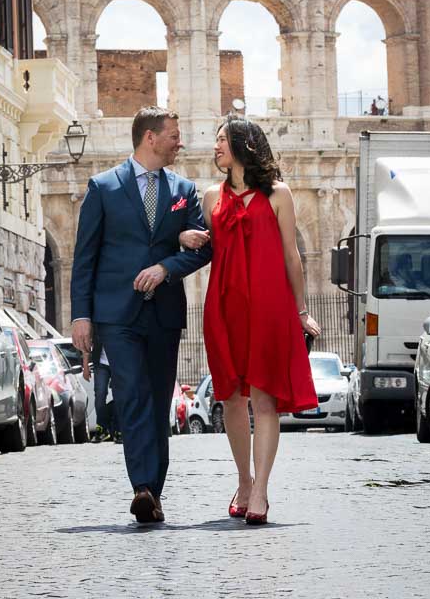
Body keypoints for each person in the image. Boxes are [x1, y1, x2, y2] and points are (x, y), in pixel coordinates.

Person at [70, 107, 212, 523]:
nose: (180, 142)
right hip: (117, 314)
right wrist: (82, 316)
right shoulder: (103, 187)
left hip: (164, 312)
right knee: (132, 394)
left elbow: (204, 248)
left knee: (156, 403)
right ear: (150, 137)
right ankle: (142, 487)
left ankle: (155, 490)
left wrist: (167, 264)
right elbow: (85, 258)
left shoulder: (184, 189)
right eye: (174, 135)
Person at [180, 116, 320, 525]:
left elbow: (292, 257)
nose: (215, 147)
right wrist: (181, 238)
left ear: (243, 145)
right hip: (224, 308)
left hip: (270, 307)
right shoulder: (209, 197)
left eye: (222, 140)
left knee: (264, 399)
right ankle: (244, 479)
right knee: (230, 398)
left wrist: (302, 311)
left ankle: (260, 491)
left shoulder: (279, 194)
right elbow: (198, 245)